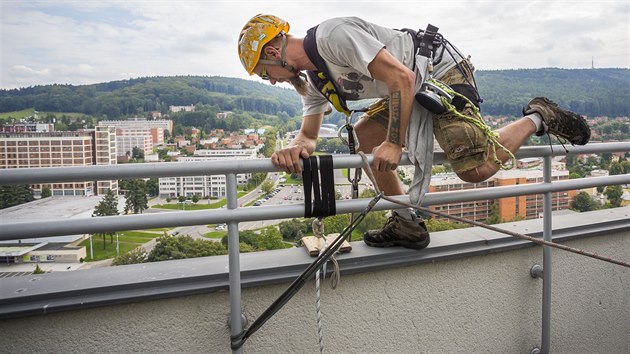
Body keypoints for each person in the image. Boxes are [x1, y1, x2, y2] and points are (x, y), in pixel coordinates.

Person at [237, 14, 591, 250]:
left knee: (476, 169)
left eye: (264, 72)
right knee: (364, 140)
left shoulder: (333, 37)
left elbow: (402, 78)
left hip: (437, 72)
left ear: (272, 52)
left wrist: (395, 142)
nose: (270, 80)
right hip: (408, 84)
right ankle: (407, 223)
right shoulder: (316, 80)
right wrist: (294, 148)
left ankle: (538, 117)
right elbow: (309, 136)